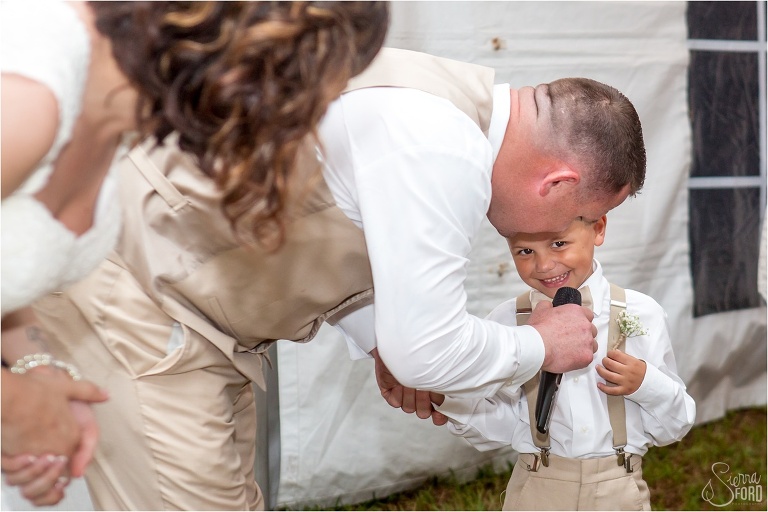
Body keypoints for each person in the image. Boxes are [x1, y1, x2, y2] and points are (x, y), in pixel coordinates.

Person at [22, 48, 644, 509]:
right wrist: (543, 342)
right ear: (557, 182)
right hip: (143, 298)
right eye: (587, 214)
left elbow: (325, 212)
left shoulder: (445, 114)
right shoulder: (441, 147)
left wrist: (379, 338)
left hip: (193, 309)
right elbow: (427, 350)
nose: (582, 228)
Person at [1, 0, 389, 507]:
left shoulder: (125, 101)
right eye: (301, 98)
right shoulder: (31, 92)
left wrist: (36, 366)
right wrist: (18, 408)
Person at [429, 215, 696, 510]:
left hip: (618, 488)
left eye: (558, 243)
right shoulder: (506, 323)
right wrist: (449, 398)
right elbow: (502, 425)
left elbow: (675, 425)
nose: (543, 265)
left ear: (598, 228)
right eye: (525, 251)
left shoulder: (642, 313)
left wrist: (646, 383)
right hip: (537, 485)